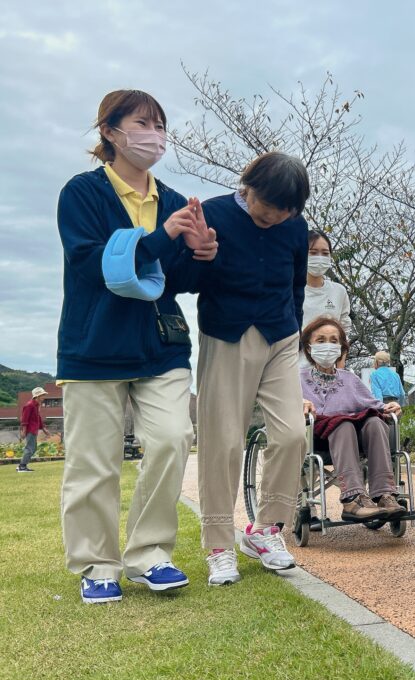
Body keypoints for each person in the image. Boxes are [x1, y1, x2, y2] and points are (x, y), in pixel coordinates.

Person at [56, 89, 217, 604]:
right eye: (142, 123)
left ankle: (149, 553)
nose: (154, 135)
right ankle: (97, 564)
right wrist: (159, 238)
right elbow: (91, 262)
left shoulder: (172, 202)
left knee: (172, 437)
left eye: (160, 125)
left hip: (160, 345)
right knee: (93, 462)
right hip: (94, 345)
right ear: (110, 131)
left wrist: (200, 253)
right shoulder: (81, 194)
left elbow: (177, 279)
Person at [196, 152, 311, 586]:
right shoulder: (213, 214)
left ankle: (265, 529)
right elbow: (188, 278)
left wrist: (294, 329)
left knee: (292, 434)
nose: (278, 217)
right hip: (227, 333)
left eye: (288, 211)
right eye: (271, 207)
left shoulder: (294, 226)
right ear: (248, 187)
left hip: (280, 334)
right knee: (223, 442)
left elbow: (296, 282)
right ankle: (219, 545)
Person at [300, 316, 405, 522]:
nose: (328, 346)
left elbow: (374, 406)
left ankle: (385, 495)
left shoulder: (350, 379)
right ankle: (352, 499)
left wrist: (391, 407)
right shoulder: (297, 379)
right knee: (344, 423)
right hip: (317, 438)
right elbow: (283, 406)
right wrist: (299, 403)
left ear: (340, 347)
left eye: (333, 340)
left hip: (353, 440)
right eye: (320, 341)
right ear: (309, 348)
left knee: (375, 421)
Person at [302, 228, 352, 333]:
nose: (319, 258)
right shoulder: (288, 291)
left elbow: (345, 330)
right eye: (313, 252)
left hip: (332, 349)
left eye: (325, 253)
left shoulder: (339, 291)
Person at [17, 387, 52, 473]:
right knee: (30, 448)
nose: (44, 397)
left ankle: (22, 465)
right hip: (30, 430)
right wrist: (24, 431)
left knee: (33, 448)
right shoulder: (29, 405)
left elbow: (38, 418)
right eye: (43, 395)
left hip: (34, 430)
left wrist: (43, 429)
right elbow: (24, 419)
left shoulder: (36, 405)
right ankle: (22, 467)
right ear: (37, 396)